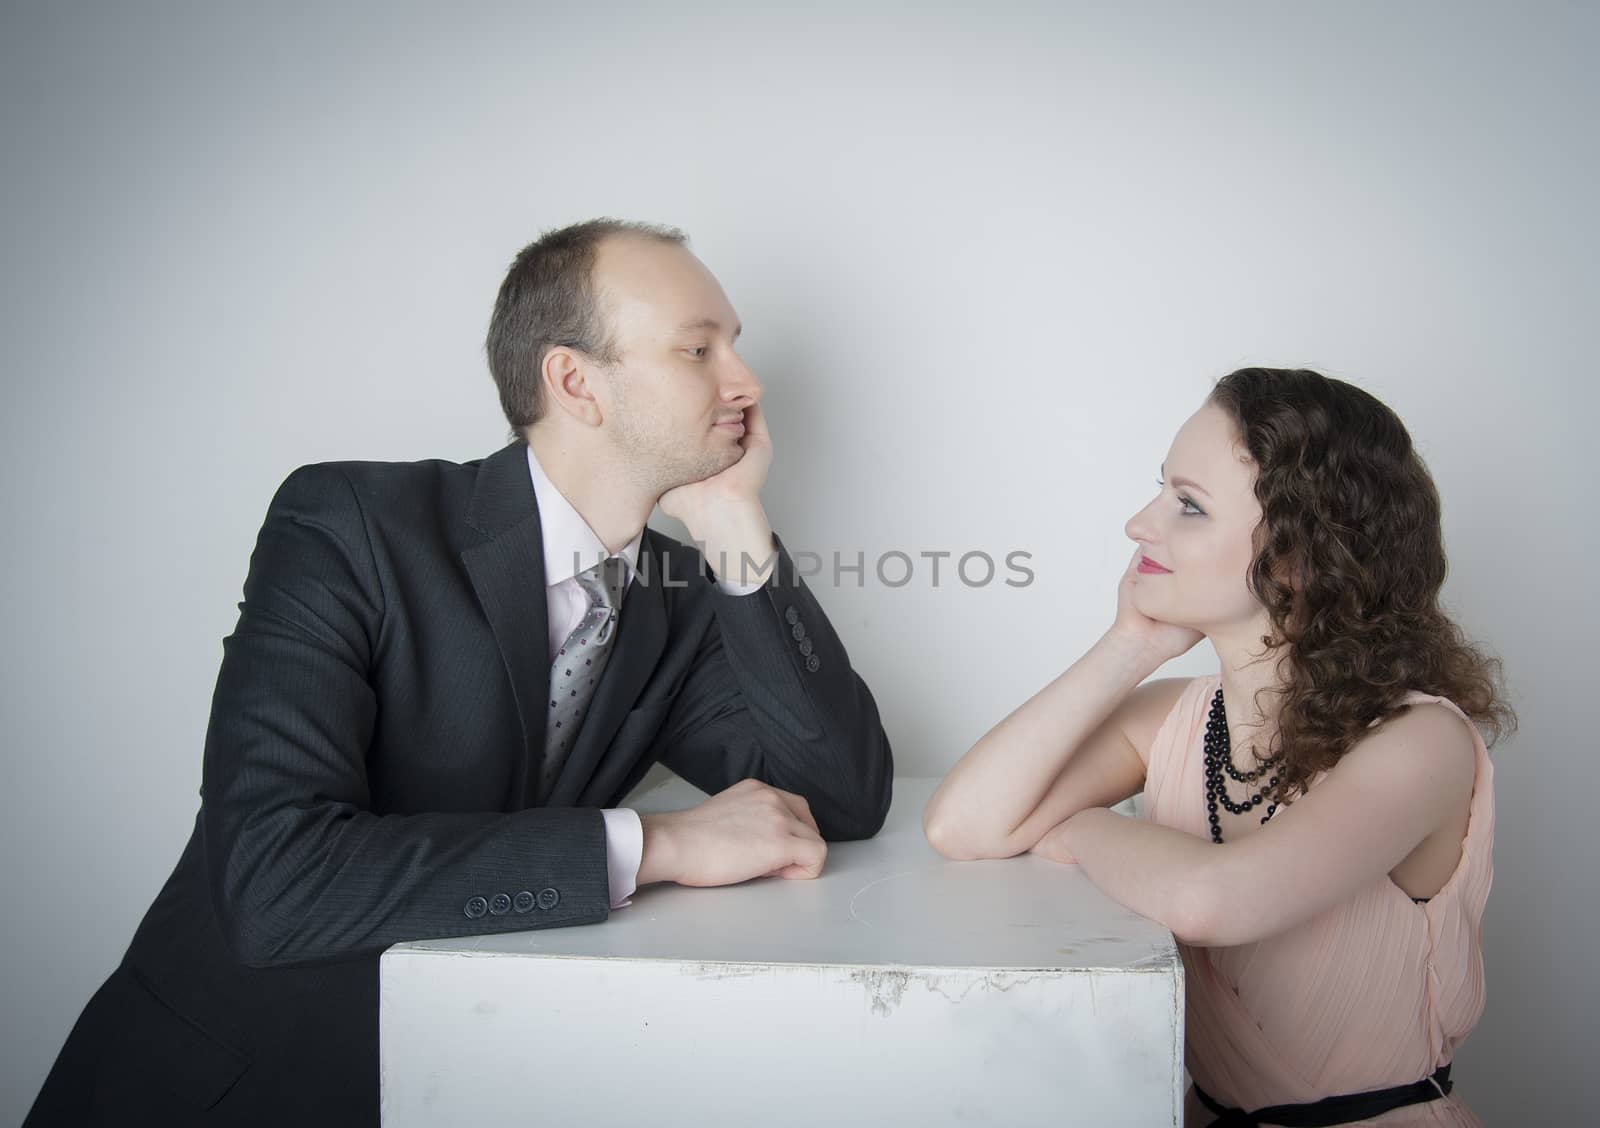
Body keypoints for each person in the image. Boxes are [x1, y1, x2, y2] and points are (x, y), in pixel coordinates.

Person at [27, 219, 894, 1127]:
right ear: (574, 382)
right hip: (221, 1083)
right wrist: (656, 845)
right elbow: (277, 880)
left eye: (736, 346)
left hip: (464, 1085)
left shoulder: (672, 606)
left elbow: (838, 798)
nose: (746, 383)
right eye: (697, 349)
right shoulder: (351, 527)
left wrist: (733, 527)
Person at [924, 367, 1510, 1126]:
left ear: (1300, 556)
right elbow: (960, 826)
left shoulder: (1423, 741)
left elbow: (1218, 901)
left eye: (1188, 505)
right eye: (1161, 490)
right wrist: (1129, 645)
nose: (1141, 524)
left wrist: (1076, 827)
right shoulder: (1172, 717)